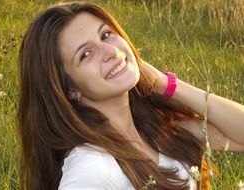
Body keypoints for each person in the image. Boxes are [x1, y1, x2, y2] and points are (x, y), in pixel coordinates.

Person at [18, 1, 244, 190]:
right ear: (69, 89)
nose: (111, 52)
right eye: (86, 54)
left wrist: (166, 85)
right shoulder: (93, 168)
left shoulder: (156, 128)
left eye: (106, 35)